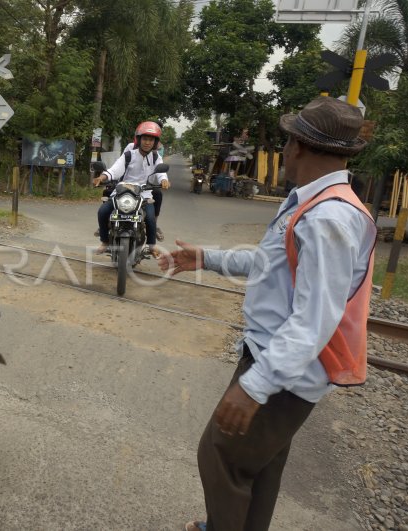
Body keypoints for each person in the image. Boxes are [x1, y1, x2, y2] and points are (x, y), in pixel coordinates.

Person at [158, 96, 376, 531]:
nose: (284, 151)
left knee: (219, 455)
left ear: (298, 146)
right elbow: (272, 265)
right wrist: (207, 258)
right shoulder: (310, 201)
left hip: (285, 373)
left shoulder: (328, 216)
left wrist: (256, 385)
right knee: (260, 468)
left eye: (287, 141)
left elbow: (315, 318)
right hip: (277, 361)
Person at [93, 121, 170, 256]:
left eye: (151, 140)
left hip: (144, 194)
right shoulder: (129, 155)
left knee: (151, 219)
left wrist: (164, 180)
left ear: (155, 142)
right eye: (145, 139)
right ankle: (105, 241)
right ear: (139, 139)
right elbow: (115, 169)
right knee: (103, 212)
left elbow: (160, 173)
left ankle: (151, 246)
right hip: (123, 191)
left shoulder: (156, 157)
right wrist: (102, 177)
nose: (147, 142)